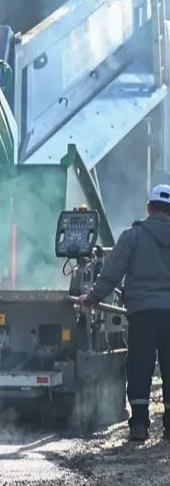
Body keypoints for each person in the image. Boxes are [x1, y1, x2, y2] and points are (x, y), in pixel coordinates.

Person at [76, 183, 170, 442]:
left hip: (142, 313)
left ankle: (139, 424)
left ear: (149, 207)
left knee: (140, 366)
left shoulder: (132, 236)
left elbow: (111, 272)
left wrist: (93, 297)